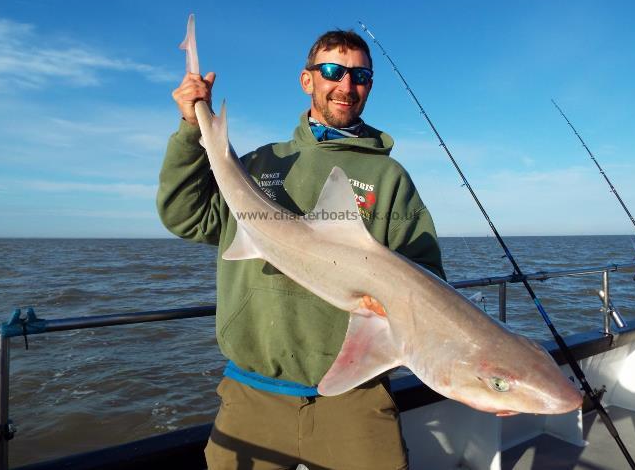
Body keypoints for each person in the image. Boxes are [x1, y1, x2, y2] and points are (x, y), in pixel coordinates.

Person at [157, 29, 445, 470]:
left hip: (356, 399)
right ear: (307, 80)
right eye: (332, 71)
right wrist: (191, 128)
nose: (346, 85)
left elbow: (428, 281)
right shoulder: (258, 163)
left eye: (360, 75)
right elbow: (187, 216)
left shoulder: (390, 178)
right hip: (252, 395)